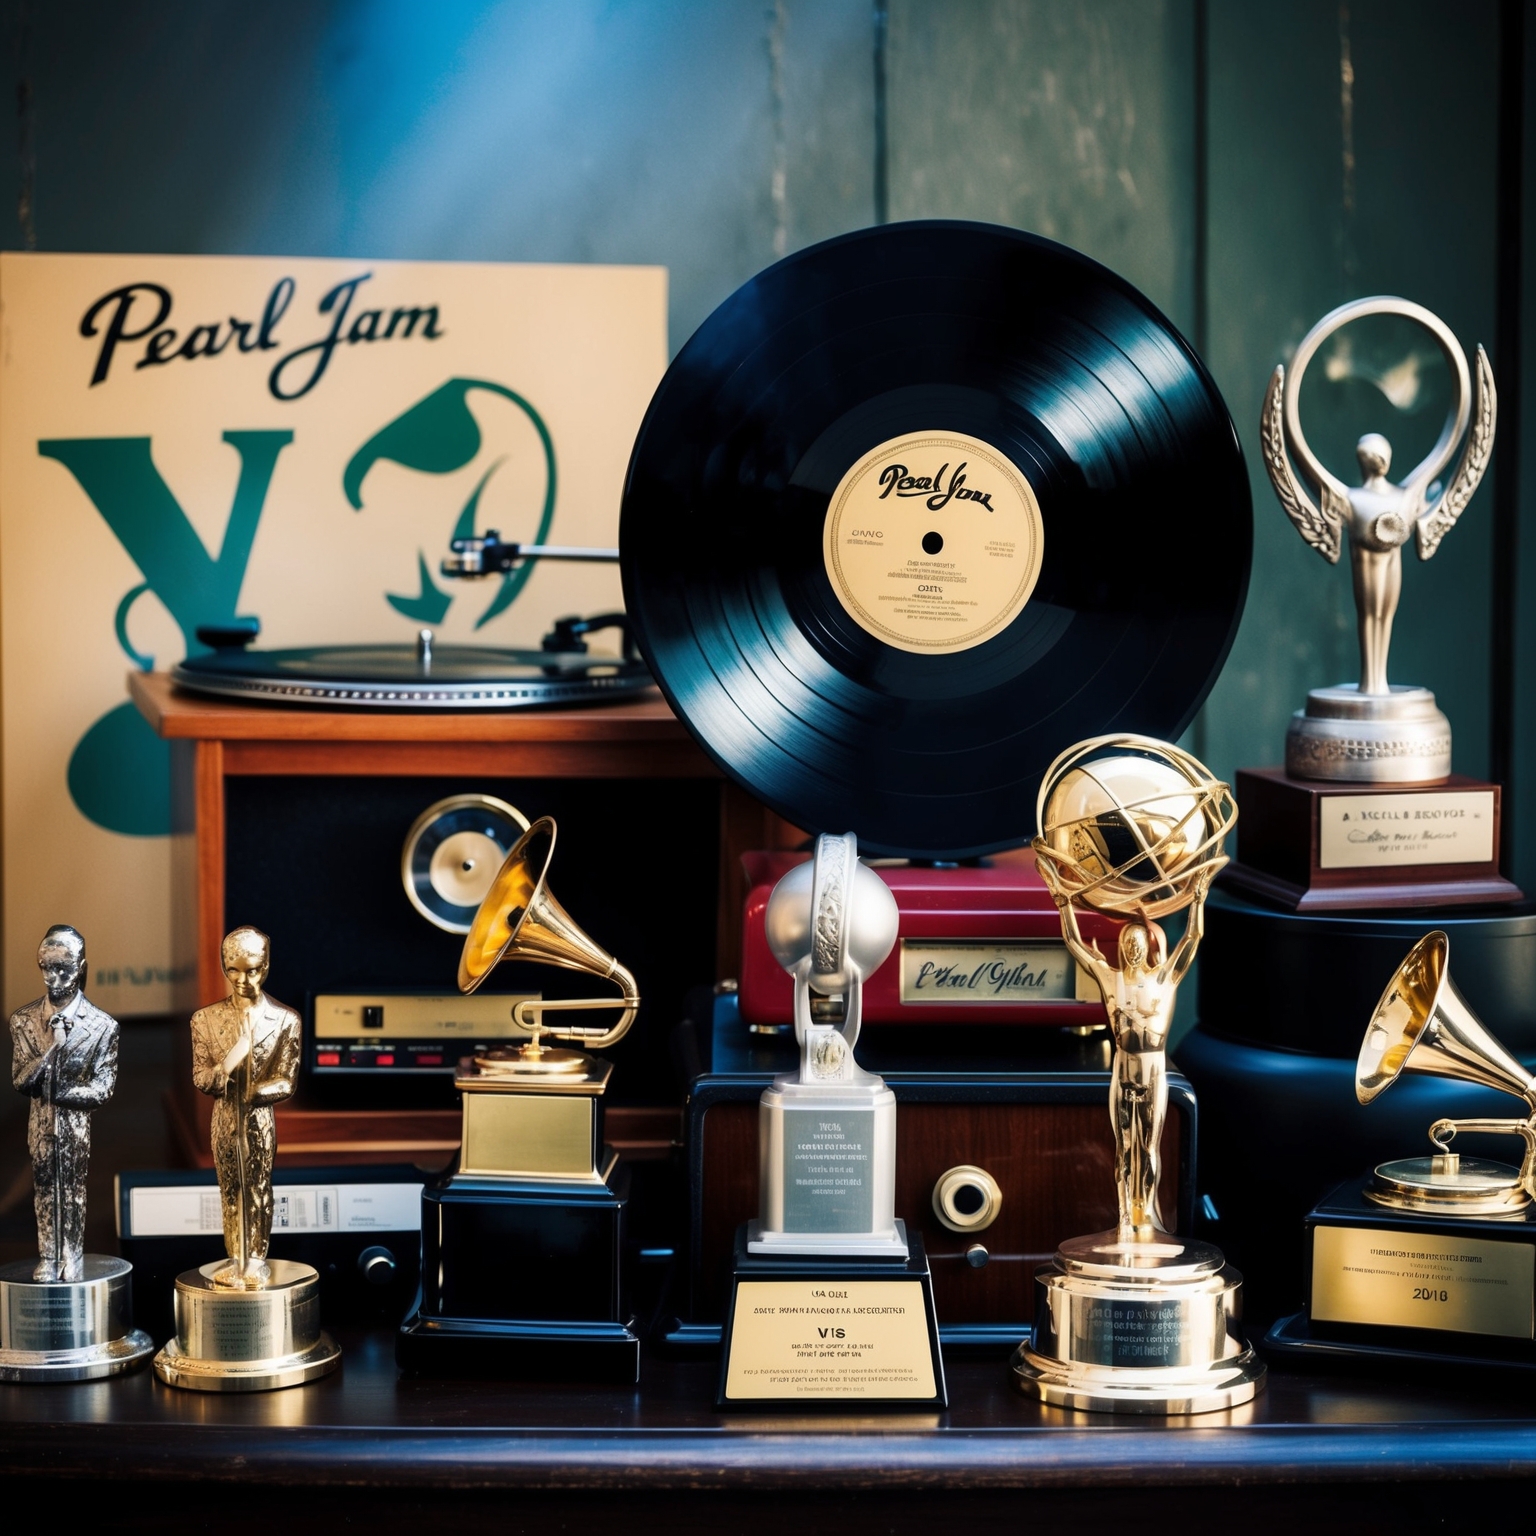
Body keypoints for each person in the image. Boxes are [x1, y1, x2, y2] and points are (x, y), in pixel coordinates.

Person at [1039, 863, 1215, 1243]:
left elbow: (1192, 939)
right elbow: (1076, 946)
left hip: (1152, 1066)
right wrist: (1063, 902)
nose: (1133, 947)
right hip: (1123, 1065)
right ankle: (1124, 1218)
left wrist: (1197, 898)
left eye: (1138, 941)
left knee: (1148, 1146)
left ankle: (1147, 1217)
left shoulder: (1163, 978)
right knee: (1124, 1147)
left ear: (1148, 946)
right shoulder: (1110, 977)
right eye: (1128, 942)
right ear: (1122, 946)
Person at [190, 927, 299, 1288]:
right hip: (224, 1119)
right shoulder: (204, 1020)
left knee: (257, 1188)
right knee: (229, 1189)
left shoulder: (285, 1020)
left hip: (258, 1119)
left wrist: (254, 1091)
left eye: (252, 969)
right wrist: (221, 1077)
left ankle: (255, 1258)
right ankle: (234, 1258)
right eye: (233, 969)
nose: (242, 979)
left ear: (266, 966)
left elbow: (287, 1080)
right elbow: (200, 1075)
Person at [9, 925, 119, 1282]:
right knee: (44, 1187)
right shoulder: (24, 1022)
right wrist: (50, 1053)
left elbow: (102, 1089)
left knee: (72, 1189)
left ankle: (71, 1255)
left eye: (64, 968)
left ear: (82, 966)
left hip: (75, 1125)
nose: (54, 977)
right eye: (47, 967)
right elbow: (21, 1080)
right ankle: (48, 1255)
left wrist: (63, 1093)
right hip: (40, 1123)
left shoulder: (103, 1026)